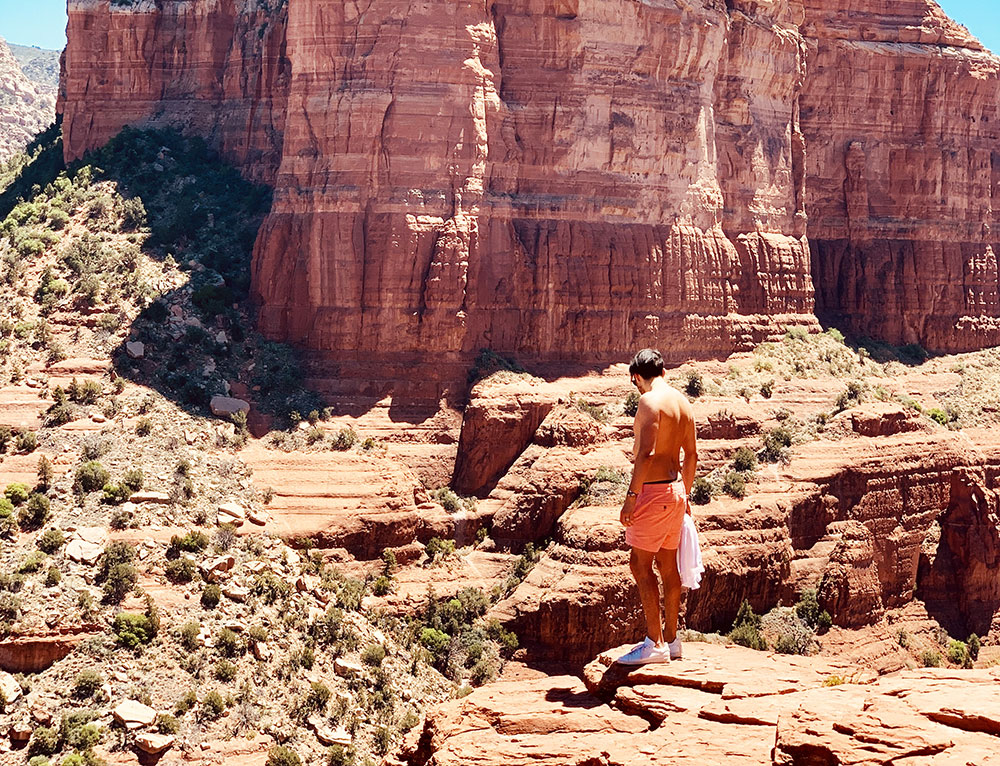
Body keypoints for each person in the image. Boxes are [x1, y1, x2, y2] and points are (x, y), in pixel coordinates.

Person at [617, 348, 698, 665]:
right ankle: (673, 639)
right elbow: (691, 456)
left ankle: (655, 644)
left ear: (637, 377)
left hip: (652, 493)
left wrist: (631, 496)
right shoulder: (683, 403)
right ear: (663, 371)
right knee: (668, 565)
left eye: (634, 381)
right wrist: (686, 496)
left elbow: (646, 455)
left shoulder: (649, 402)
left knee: (639, 565)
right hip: (676, 491)